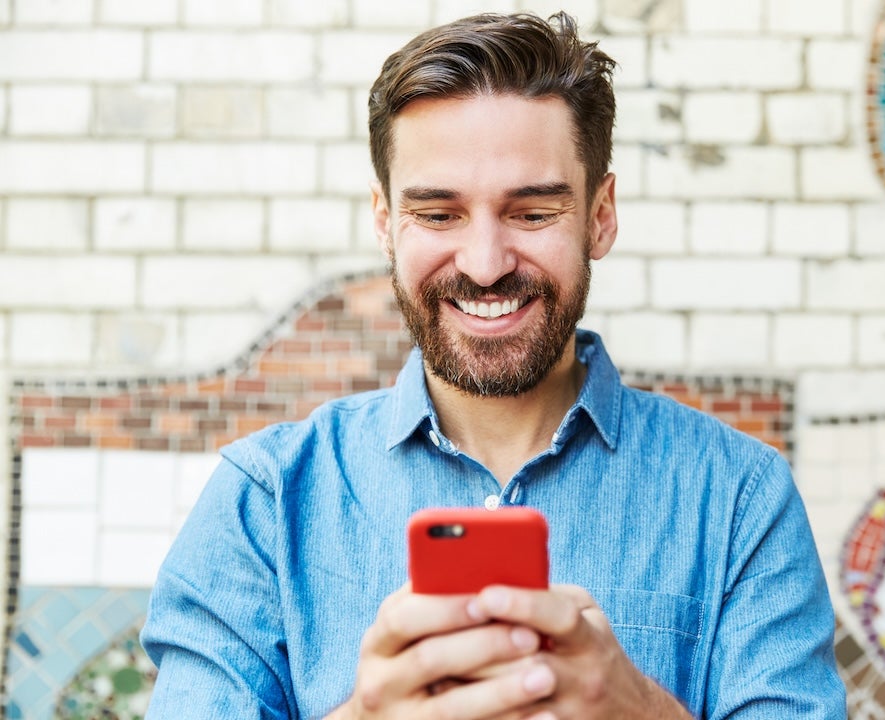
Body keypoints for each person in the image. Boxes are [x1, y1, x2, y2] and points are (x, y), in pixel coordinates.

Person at [140, 11, 844, 720]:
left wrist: (638, 710)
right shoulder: (264, 502)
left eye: (533, 213)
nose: (484, 265)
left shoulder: (739, 499)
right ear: (385, 221)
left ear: (600, 216)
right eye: (439, 215)